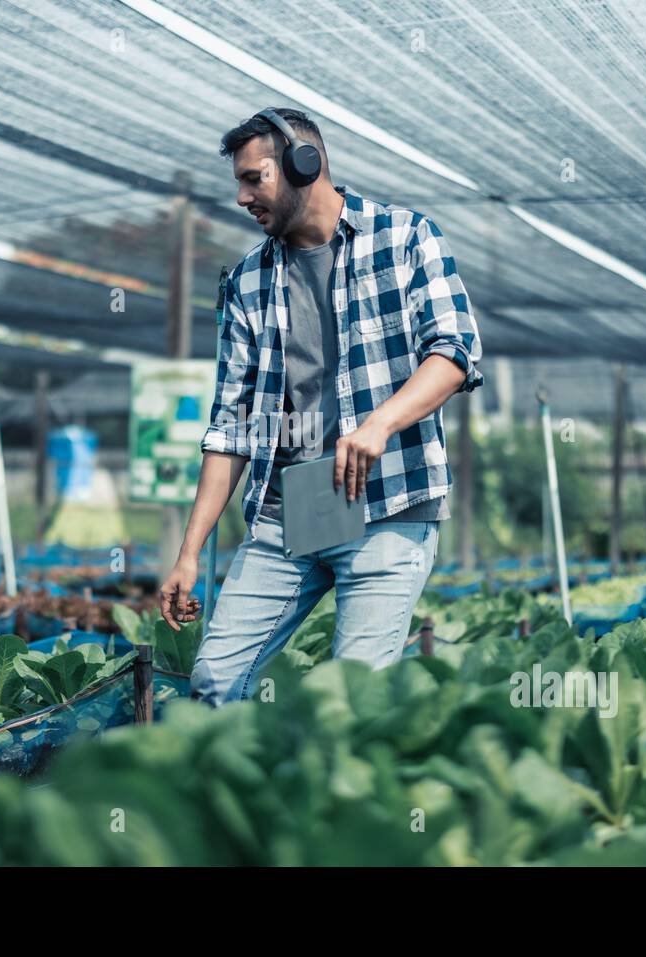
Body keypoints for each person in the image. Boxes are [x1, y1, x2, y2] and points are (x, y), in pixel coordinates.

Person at [159, 107, 484, 707]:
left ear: (304, 165)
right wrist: (188, 553)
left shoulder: (406, 238)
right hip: (292, 510)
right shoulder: (249, 281)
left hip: (389, 504)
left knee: (352, 705)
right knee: (212, 685)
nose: (241, 197)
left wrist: (379, 424)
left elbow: (455, 353)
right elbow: (230, 426)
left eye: (254, 178)